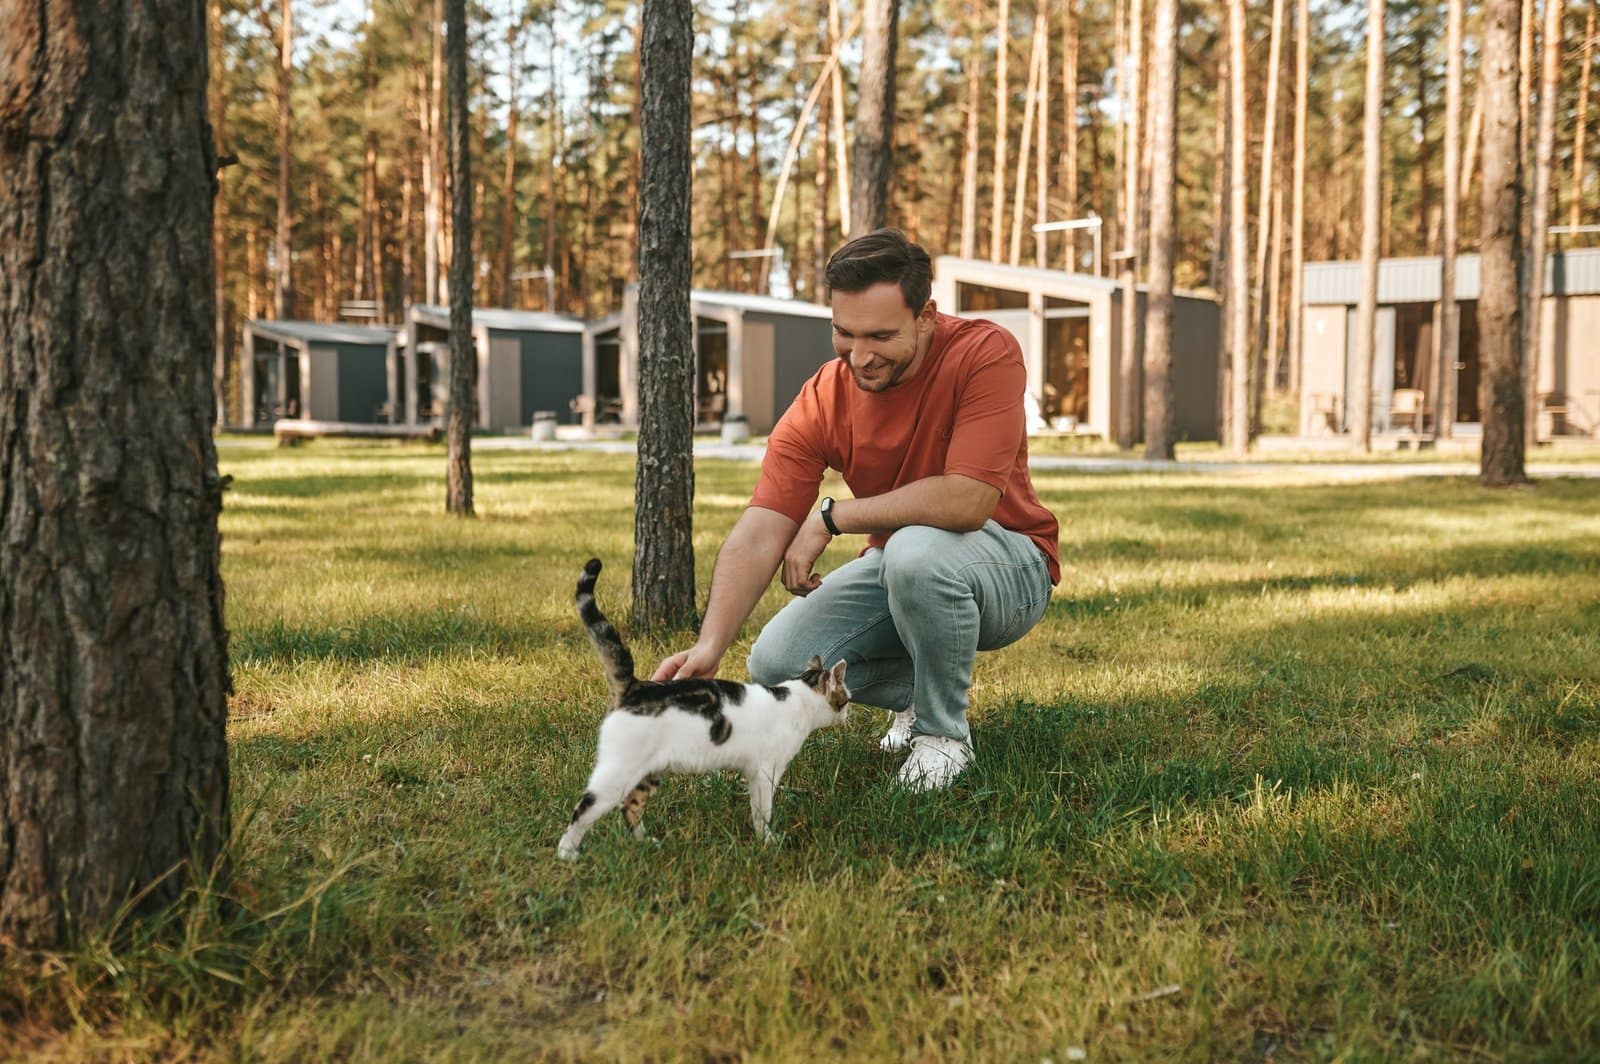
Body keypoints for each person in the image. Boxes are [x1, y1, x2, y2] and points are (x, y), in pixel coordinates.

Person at [651, 229, 1060, 791]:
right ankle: (920, 691)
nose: (860, 356)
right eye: (844, 334)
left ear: (926, 316)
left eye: (881, 335)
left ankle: (943, 738)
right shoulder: (824, 396)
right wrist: (710, 645)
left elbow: (968, 501)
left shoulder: (985, 353)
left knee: (915, 550)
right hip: (901, 569)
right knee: (778, 663)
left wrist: (832, 517)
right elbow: (762, 528)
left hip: (1011, 566)